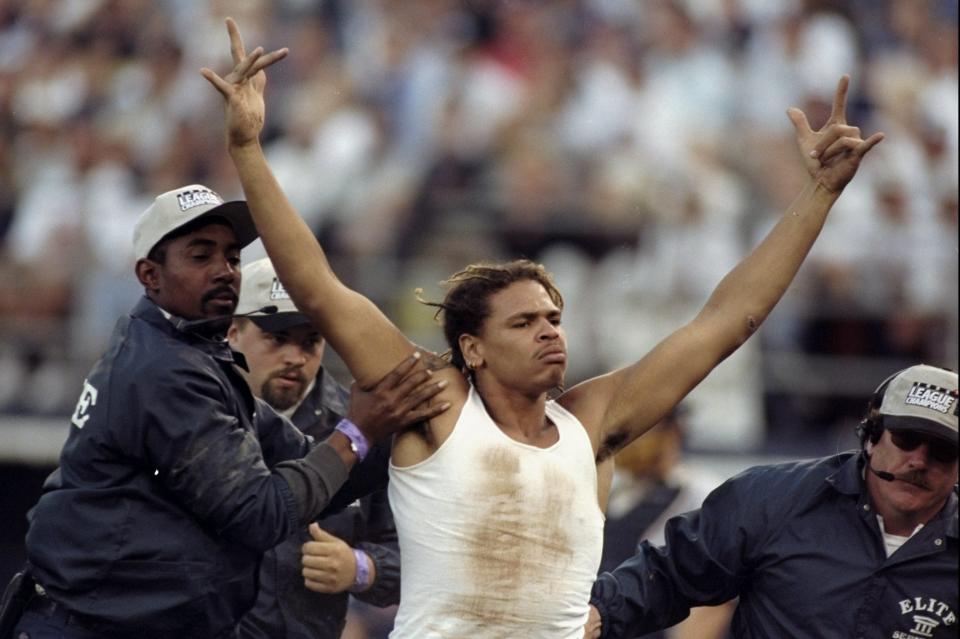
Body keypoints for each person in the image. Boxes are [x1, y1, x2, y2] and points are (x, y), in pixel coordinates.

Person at [202, 18, 883, 638]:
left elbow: (730, 320)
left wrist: (817, 195)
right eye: (525, 321)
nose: (550, 331)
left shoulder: (594, 421)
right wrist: (249, 149)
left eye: (554, 318)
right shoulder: (433, 401)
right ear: (471, 346)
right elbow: (318, 287)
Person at [9, 184, 447, 639]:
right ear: (149, 274)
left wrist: (399, 421)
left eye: (232, 258)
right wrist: (358, 431)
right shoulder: (163, 369)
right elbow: (260, 514)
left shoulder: (196, 355)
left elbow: (307, 457)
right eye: (201, 256)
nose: (223, 271)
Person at [589, 364, 958, 639]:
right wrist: (596, 613)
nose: (919, 462)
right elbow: (672, 573)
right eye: (908, 439)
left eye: (942, 450)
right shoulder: (775, 499)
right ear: (872, 436)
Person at [229, 258, 403, 639]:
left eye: (311, 340)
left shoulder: (368, 428)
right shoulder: (190, 418)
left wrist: (360, 567)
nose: (296, 357)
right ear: (232, 332)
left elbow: (421, 557)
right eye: (277, 338)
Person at [598, 408, 734, 639]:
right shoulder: (611, 489)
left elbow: (714, 600)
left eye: (644, 429)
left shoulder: (704, 494)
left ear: (675, 430)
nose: (632, 440)